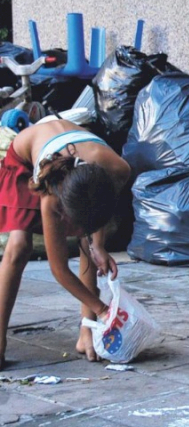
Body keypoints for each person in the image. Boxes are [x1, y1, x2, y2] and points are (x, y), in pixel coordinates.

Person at [0, 119, 130, 369]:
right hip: (26, 159)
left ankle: (86, 334)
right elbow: (59, 269)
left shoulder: (118, 170)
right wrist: (103, 310)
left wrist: (98, 246)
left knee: (88, 245)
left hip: (78, 164)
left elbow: (96, 214)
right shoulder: (51, 194)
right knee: (19, 246)